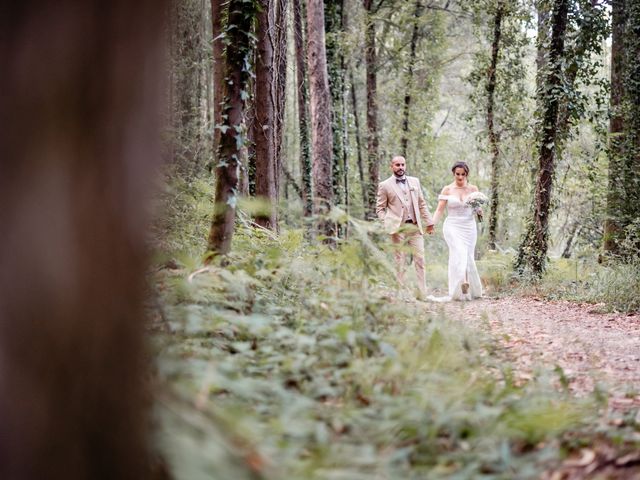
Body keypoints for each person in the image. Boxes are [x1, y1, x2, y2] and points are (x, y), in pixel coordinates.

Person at [376, 156, 434, 298]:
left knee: (420, 259)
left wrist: (429, 222)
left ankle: (422, 292)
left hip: (414, 227)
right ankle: (401, 292)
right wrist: (386, 222)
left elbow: (422, 204)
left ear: (405, 166)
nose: (400, 167)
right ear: (392, 166)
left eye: (402, 165)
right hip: (398, 228)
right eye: (397, 165)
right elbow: (380, 208)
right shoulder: (385, 185)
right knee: (399, 259)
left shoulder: (415, 182)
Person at [431, 161, 483, 301]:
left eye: (463, 174)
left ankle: (466, 288)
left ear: (467, 174)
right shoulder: (447, 189)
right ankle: (464, 282)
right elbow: (440, 210)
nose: (460, 177)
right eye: (457, 174)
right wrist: (432, 224)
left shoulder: (473, 189)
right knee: (459, 251)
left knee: (467, 255)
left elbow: (478, 209)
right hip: (452, 226)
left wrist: (479, 211)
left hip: (469, 226)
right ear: (453, 174)